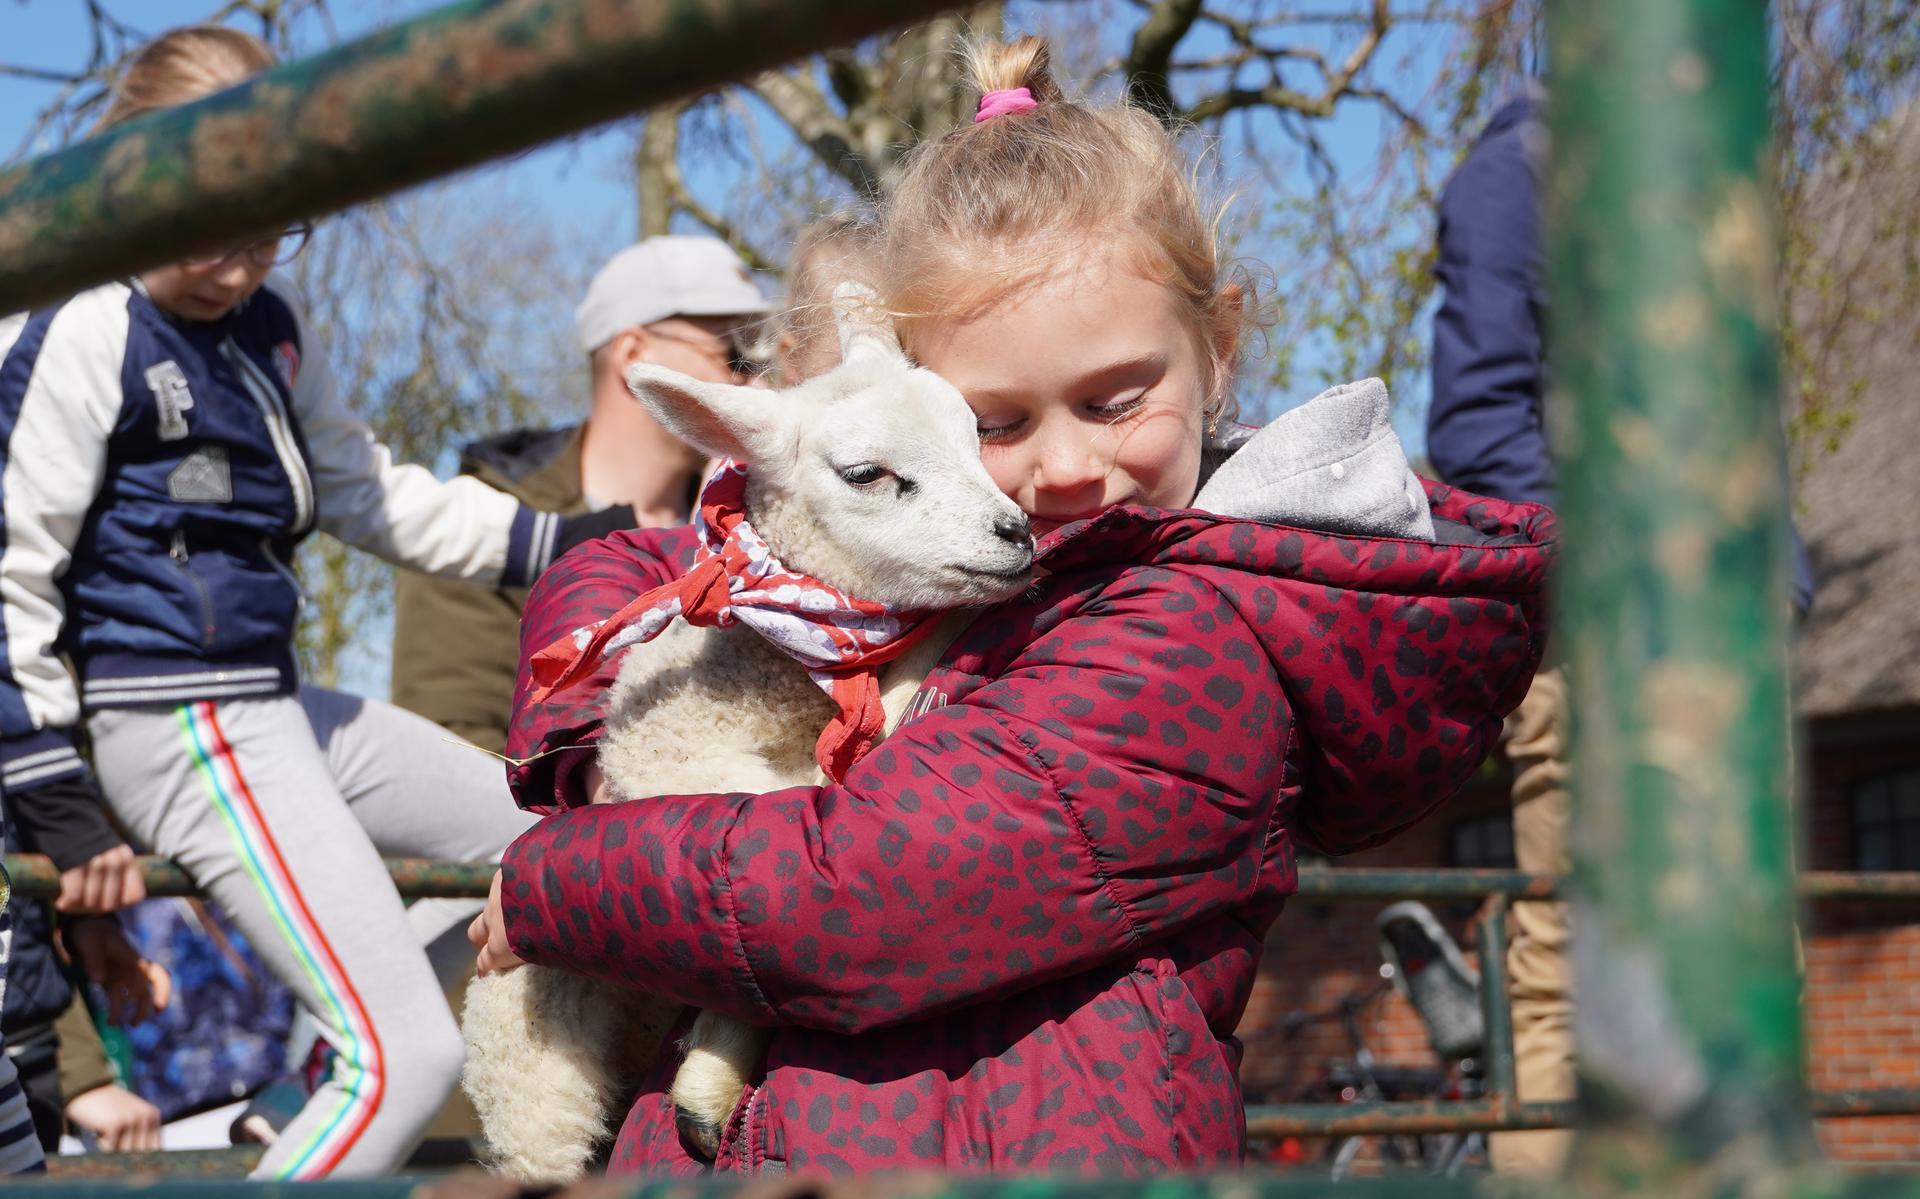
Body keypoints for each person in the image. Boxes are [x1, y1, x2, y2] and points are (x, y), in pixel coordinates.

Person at [469, 36, 1556, 1175]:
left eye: (1114, 398)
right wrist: (604, 737)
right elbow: (627, 576)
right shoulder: (961, 573)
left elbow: (860, 899)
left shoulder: (1191, 643)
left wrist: (561, 874)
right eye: (996, 423)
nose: (1068, 467)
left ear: (1218, 349)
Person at [0, 26, 622, 1180]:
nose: (240, 262)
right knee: (404, 1060)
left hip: (278, 702)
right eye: (211, 225)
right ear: (131, 174)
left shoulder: (273, 325)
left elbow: (364, 491)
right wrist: (50, 788)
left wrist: (557, 538)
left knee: (558, 844)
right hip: (169, 720)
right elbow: (9, 571)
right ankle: (341, 1093)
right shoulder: (80, 325)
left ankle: (287, 1102)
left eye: (271, 227)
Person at [1425, 91, 1813, 1177]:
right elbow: (1477, 418)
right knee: (1574, 960)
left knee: (1750, 958)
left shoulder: (1694, 176)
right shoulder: (1523, 166)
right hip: (1612, 617)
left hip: (1730, 618)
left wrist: (1760, 567)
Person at [391, 236, 770, 755]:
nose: (755, 382)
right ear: (633, 356)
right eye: (736, 353)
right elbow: (452, 747)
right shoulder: (484, 529)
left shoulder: (754, 524)